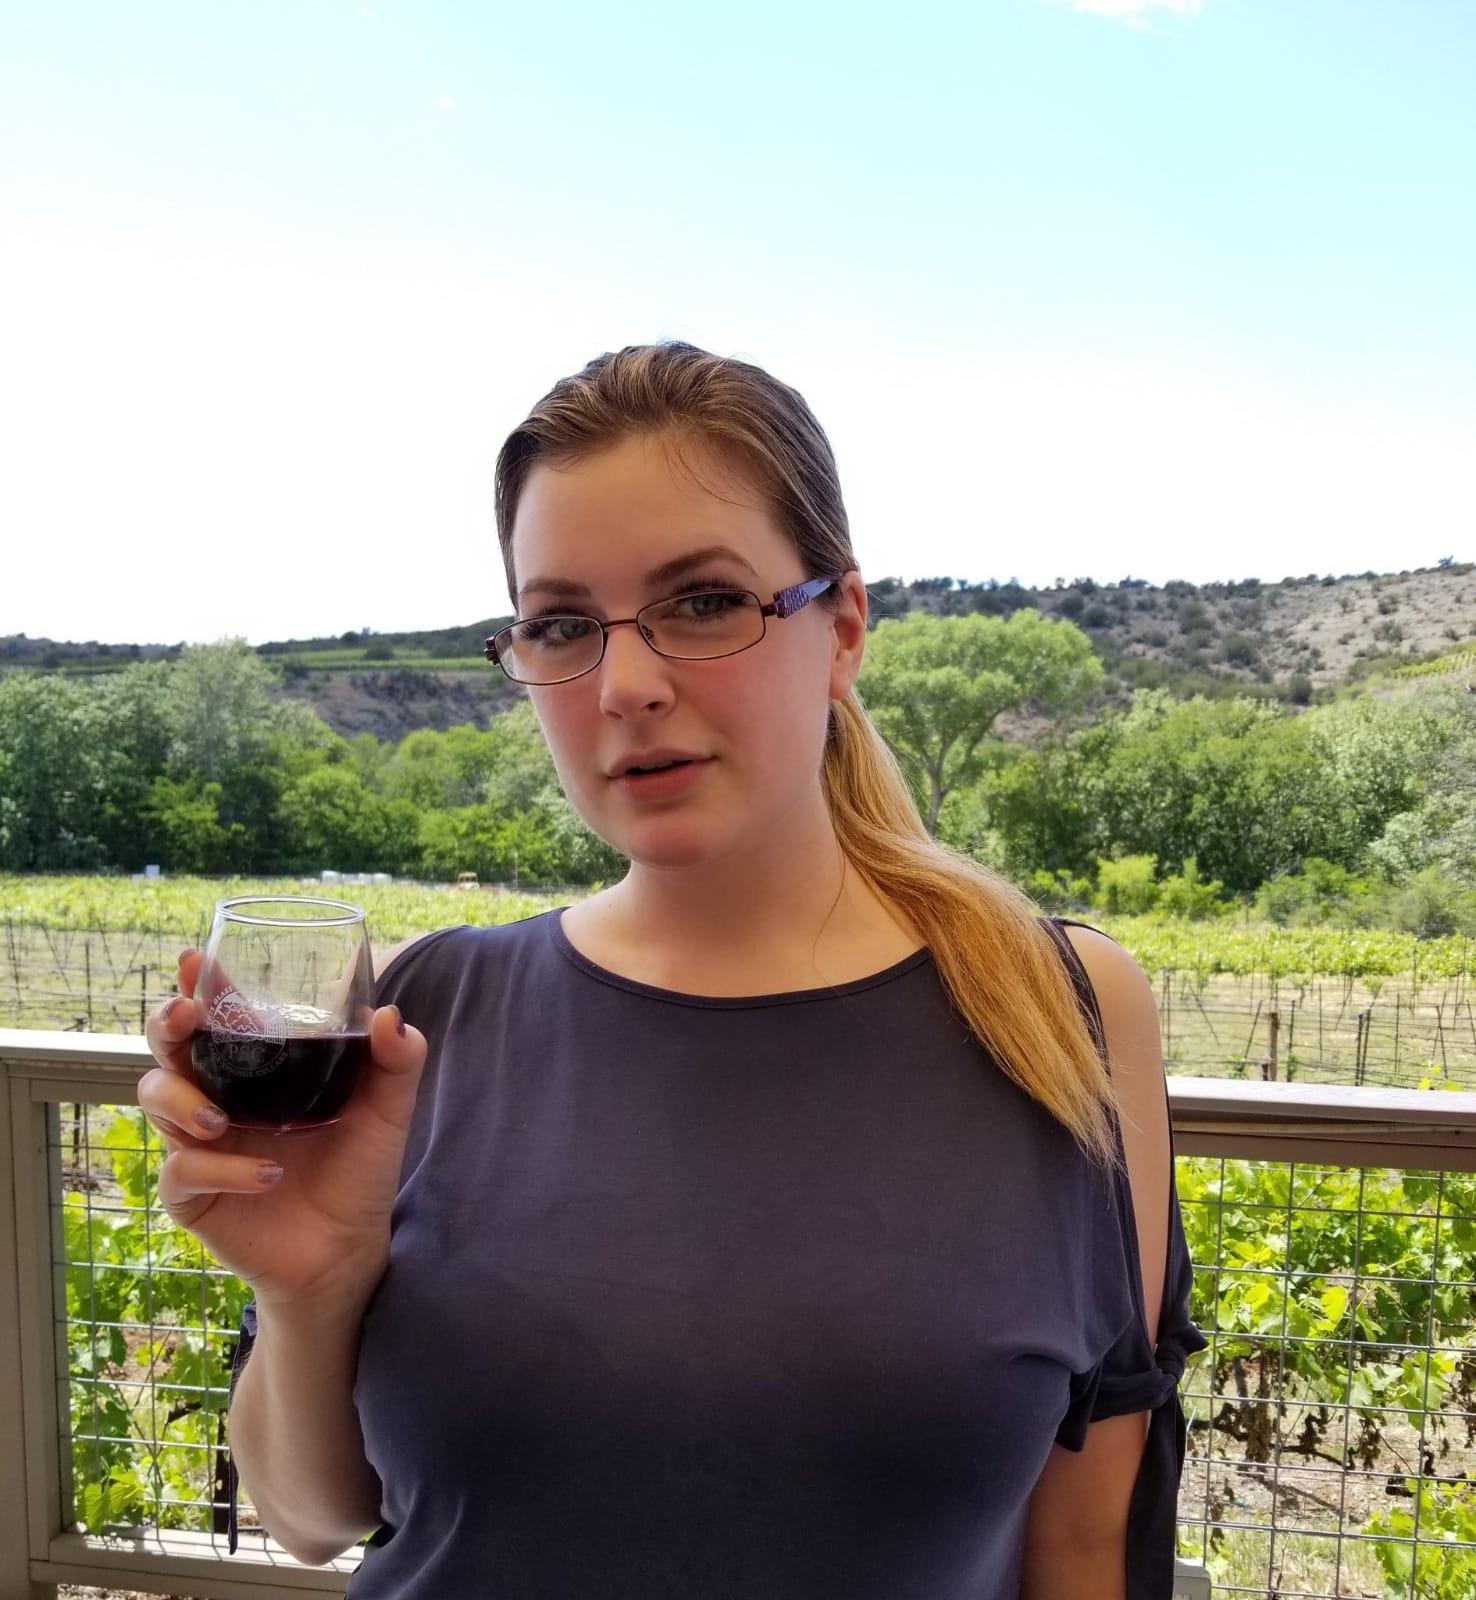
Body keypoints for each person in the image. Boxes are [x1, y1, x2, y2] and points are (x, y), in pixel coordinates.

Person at [137, 339, 1206, 1598]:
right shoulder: (425, 1017)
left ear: (843, 628)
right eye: (562, 624)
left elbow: (1084, 1547)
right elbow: (312, 1518)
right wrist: (310, 1291)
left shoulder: (1062, 1013)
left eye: (703, 602)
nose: (626, 686)